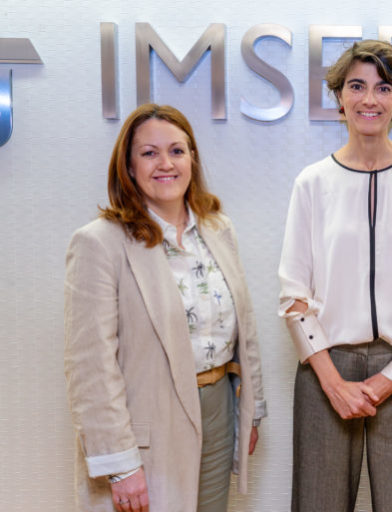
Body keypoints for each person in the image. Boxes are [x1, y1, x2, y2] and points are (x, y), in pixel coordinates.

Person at [64, 104, 266, 512]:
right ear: (128, 165)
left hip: (218, 409)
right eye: (149, 153)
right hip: (148, 425)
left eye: (177, 150)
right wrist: (120, 464)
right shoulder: (99, 243)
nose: (165, 163)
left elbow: (244, 327)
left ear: (192, 158)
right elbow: (90, 367)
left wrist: (250, 409)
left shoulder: (216, 229)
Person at [278, 40, 392, 512]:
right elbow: (293, 295)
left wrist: (390, 379)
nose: (369, 99)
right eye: (357, 86)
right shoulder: (312, 182)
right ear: (340, 97)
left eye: (383, 87)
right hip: (325, 369)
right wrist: (333, 383)